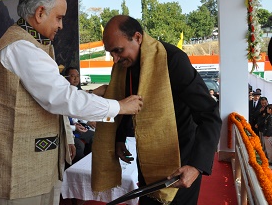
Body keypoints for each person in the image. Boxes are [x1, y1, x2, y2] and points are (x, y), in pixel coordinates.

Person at [0, 0, 143, 205]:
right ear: (40, 13)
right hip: (18, 170)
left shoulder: (38, 45)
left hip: (42, 164)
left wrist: (67, 137)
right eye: (59, 18)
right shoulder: (20, 48)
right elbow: (62, 98)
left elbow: (54, 99)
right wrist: (119, 106)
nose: (61, 25)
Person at [91, 15, 222, 205]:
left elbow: (209, 114)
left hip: (181, 154)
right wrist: (119, 137)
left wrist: (196, 166)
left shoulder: (172, 59)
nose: (115, 59)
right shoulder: (125, 65)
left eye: (118, 51)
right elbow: (131, 102)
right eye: (111, 52)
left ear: (137, 37)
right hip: (149, 154)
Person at [64, 66, 97, 162]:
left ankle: (91, 163)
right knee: (79, 146)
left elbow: (77, 113)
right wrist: (75, 126)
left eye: (78, 76)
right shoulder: (64, 94)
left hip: (76, 125)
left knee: (95, 136)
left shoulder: (77, 92)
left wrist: (87, 122)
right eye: (72, 76)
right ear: (66, 78)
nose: (76, 78)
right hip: (70, 131)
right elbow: (65, 118)